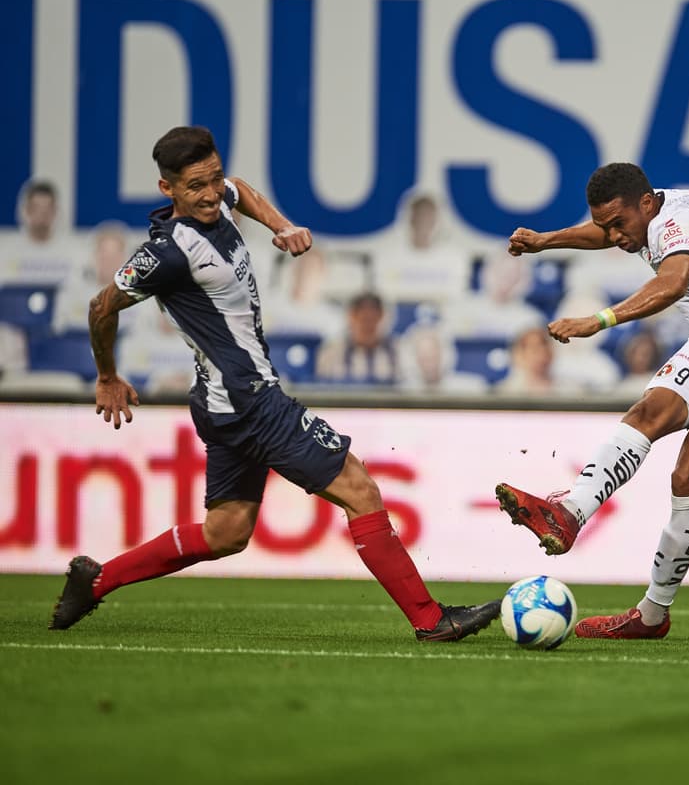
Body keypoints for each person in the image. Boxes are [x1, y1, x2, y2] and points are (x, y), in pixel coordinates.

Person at [48, 125, 500, 642]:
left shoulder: (220, 200)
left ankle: (98, 579)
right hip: (249, 401)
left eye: (213, 178)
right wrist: (106, 375)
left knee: (227, 532)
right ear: (166, 189)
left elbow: (242, 188)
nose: (212, 193)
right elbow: (101, 305)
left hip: (223, 401)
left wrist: (282, 226)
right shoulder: (168, 252)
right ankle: (431, 619)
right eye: (196, 185)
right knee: (361, 489)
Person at [494, 162, 689, 639]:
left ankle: (652, 613)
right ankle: (570, 511)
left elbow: (672, 284)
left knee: (688, 474)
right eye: (606, 223)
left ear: (645, 205)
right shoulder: (647, 208)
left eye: (619, 223)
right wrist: (546, 240)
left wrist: (596, 321)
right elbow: (606, 235)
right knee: (647, 412)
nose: (615, 235)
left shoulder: (679, 221)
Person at [315, 291, 401, 386]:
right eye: (363, 319)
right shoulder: (331, 352)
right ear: (350, 318)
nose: (368, 325)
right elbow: (324, 390)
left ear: (386, 319)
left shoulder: (400, 350)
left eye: (374, 318)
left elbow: (411, 389)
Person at [1, 178, 74, 286]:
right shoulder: (6, 252)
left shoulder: (73, 253)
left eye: (47, 209)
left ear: (55, 211)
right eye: (37, 208)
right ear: (26, 210)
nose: (42, 215)